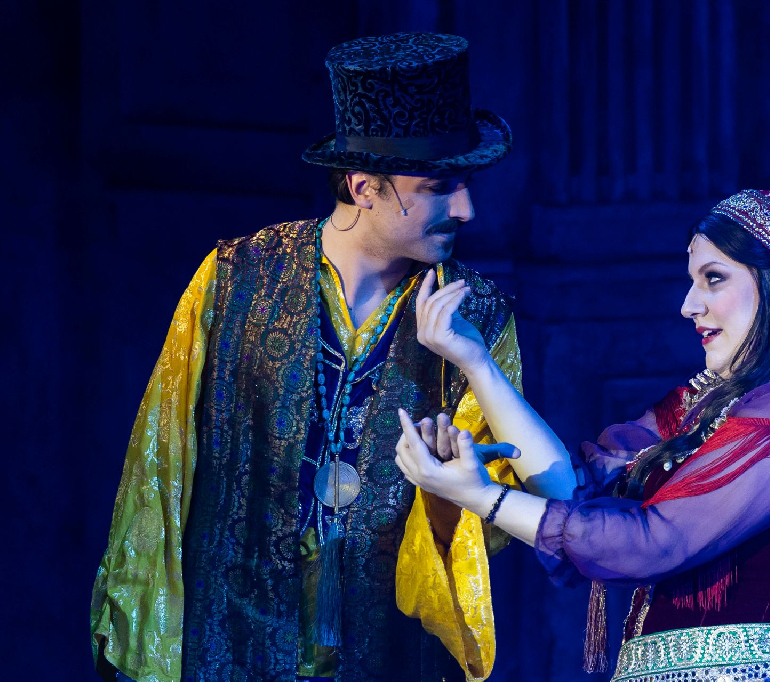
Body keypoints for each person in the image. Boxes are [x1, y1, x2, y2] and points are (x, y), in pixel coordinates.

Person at [90, 32, 575, 682]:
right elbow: (161, 469)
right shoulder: (236, 280)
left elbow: (543, 500)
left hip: (385, 654)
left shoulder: (475, 314)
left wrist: (468, 390)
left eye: (465, 185)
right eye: (440, 186)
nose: (466, 209)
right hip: (234, 644)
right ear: (363, 186)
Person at [396, 189, 770, 681]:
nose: (689, 305)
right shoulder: (707, 404)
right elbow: (571, 491)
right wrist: (476, 362)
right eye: (693, 282)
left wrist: (481, 496)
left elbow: (653, 543)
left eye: (714, 279)